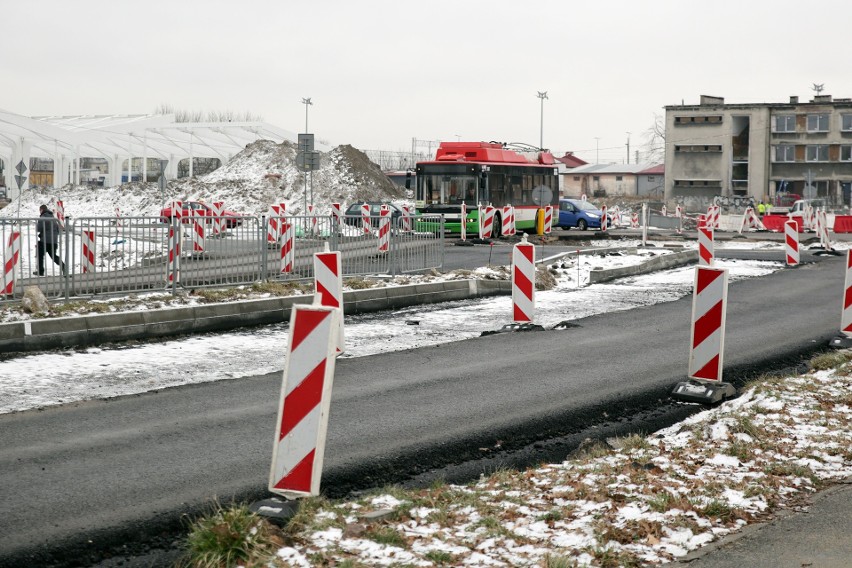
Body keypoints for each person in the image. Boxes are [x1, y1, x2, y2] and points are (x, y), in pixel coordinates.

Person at [35, 204, 66, 276]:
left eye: (40, 210)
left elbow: (38, 228)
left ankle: (40, 271)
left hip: (45, 241)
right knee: (53, 256)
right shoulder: (53, 218)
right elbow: (57, 230)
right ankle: (64, 267)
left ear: (41, 210)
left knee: (40, 255)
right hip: (54, 241)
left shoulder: (43, 217)